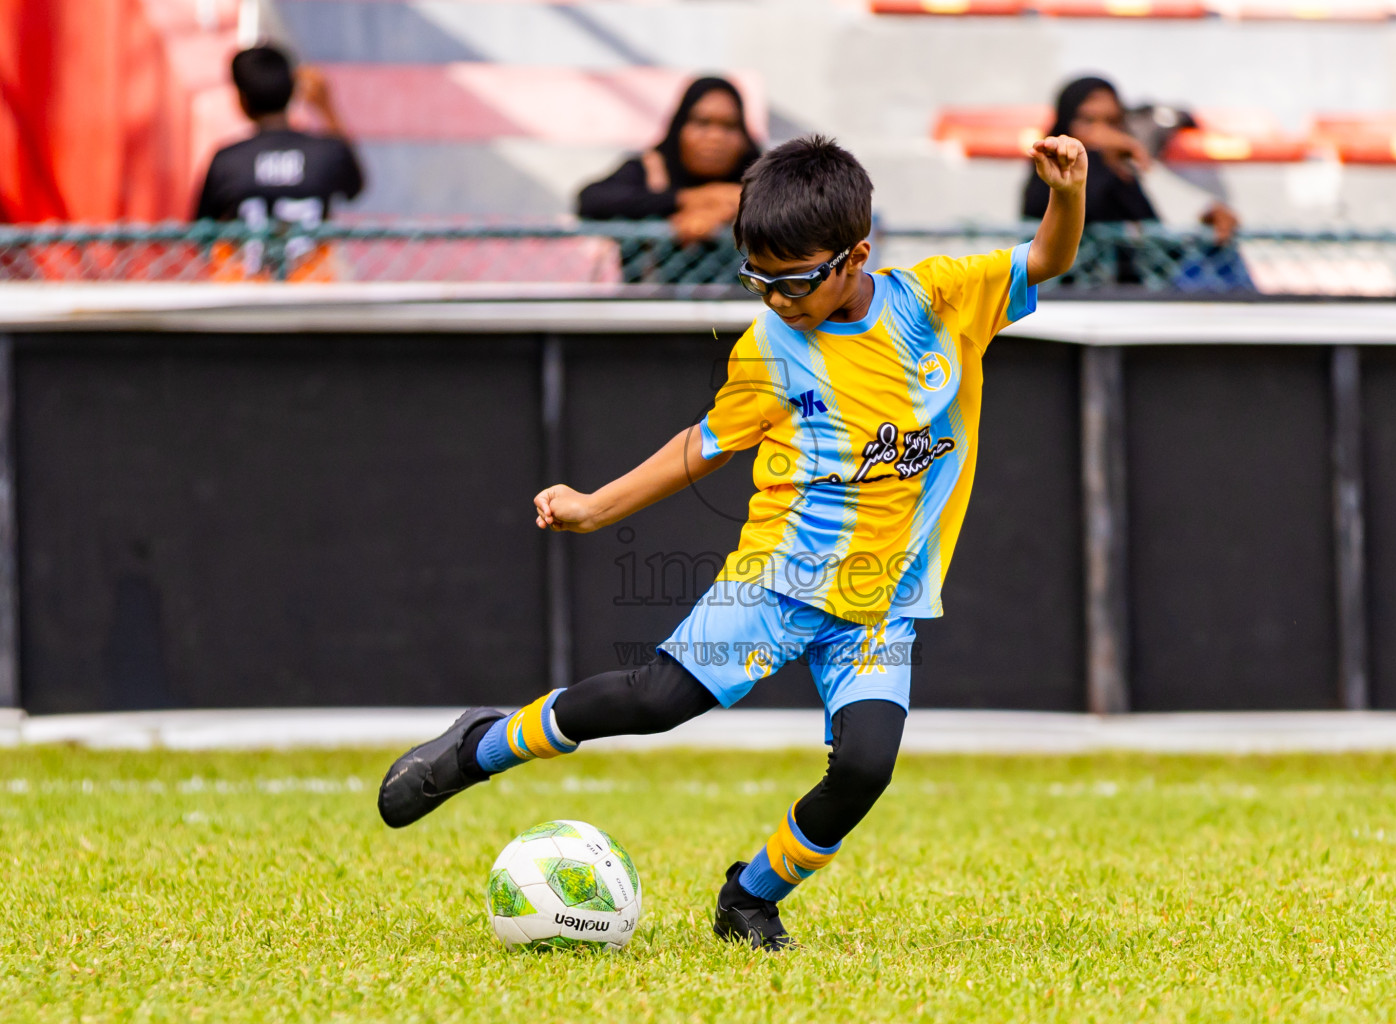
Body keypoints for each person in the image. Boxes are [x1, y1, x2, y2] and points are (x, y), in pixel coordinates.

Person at [378, 133, 1087, 951]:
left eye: (794, 280)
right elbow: (701, 445)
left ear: (857, 254)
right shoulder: (769, 348)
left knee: (864, 769)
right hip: (777, 581)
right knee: (655, 705)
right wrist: (597, 507)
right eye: (757, 278)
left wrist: (1066, 192)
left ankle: (749, 897)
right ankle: (484, 743)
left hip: (879, 607)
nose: (775, 297)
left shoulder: (941, 301)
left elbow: (1049, 256)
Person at [1023, 76, 1243, 288]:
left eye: (1112, 122)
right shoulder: (1046, 172)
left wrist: (1205, 224)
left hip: (1138, 289)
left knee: (1222, 252)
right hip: (1068, 291)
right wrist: (1099, 159)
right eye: (1088, 121)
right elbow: (1078, 207)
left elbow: (1157, 234)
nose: (1101, 132)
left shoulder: (1121, 171)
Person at [577, 77, 761, 245]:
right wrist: (686, 199)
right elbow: (591, 199)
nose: (715, 137)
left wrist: (726, 210)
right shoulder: (653, 166)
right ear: (679, 127)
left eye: (729, 126)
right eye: (702, 123)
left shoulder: (758, 174)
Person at [194, 45, 364, 226]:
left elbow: (202, 228)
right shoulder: (326, 152)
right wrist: (326, 108)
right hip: (308, 254)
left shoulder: (227, 161)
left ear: (243, 100)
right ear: (292, 90)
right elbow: (354, 187)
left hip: (246, 254)